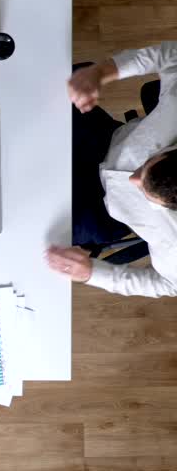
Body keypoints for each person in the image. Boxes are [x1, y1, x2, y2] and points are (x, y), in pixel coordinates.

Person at [46, 42, 177, 297]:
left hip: (99, 209)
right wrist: (104, 72)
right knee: (36, 93)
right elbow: (172, 55)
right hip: (104, 139)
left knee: (23, 225)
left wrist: (92, 273)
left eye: (146, 191)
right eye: (144, 167)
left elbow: (168, 285)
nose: (132, 179)